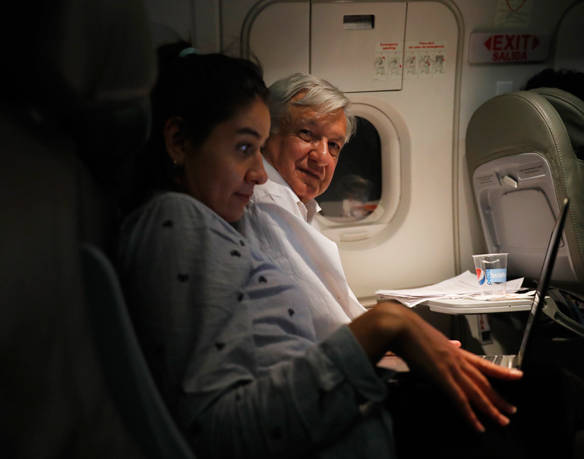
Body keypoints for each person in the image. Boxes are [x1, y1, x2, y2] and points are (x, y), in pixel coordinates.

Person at [117, 46, 525, 459]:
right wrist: (386, 326)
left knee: (530, 392)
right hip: (354, 434)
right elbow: (221, 435)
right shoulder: (178, 221)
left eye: (335, 146)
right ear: (178, 141)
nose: (259, 174)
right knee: (532, 398)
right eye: (245, 148)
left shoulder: (214, 223)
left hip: (351, 419)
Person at [238, 73, 366, 340]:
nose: (322, 157)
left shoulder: (298, 203)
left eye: (334, 145)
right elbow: (326, 324)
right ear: (268, 134)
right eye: (307, 134)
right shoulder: (264, 200)